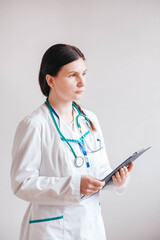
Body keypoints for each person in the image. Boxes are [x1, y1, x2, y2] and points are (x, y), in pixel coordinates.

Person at [10, 43, 133, 240]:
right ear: (51, 80)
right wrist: (74, 186)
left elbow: (100, 171)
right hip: (52, 231)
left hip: (90, 226)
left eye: (84, 74)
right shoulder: (34, 125)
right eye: (72, 75)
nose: (82, 82)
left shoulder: (90, 120)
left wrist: (117, 180)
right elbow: (21, 184)